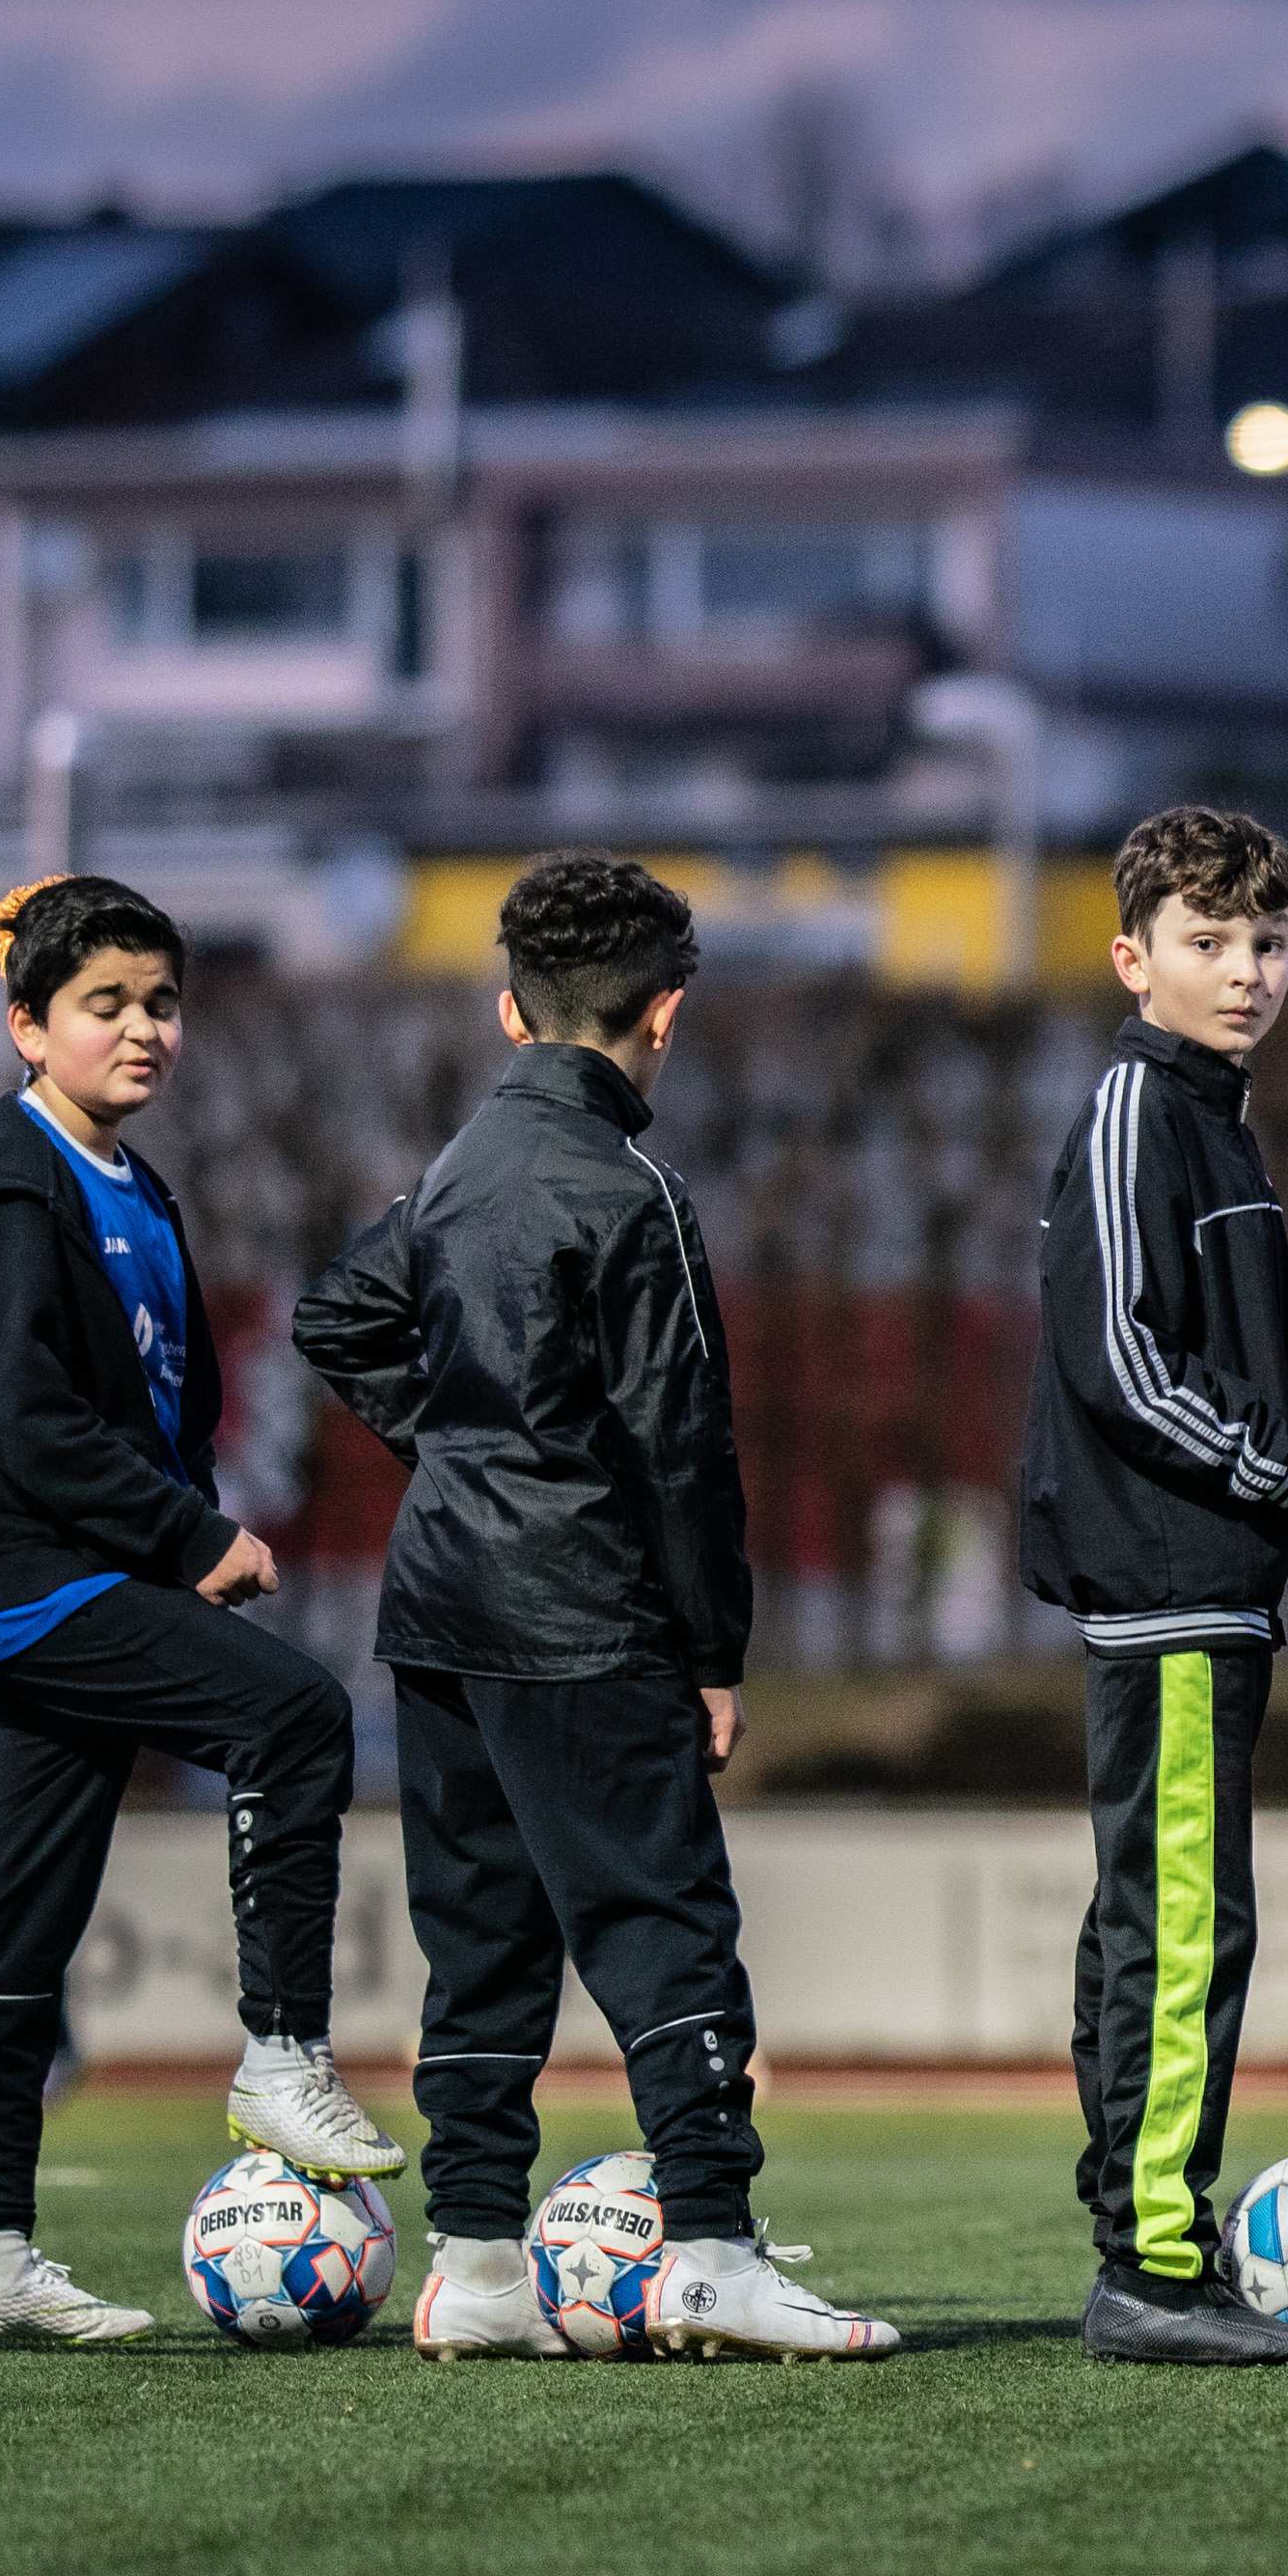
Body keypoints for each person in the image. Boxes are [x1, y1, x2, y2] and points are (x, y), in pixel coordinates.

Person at [294, 851, 893, 2362]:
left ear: (509, 1011)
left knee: (480, 1941)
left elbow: (334, 1315)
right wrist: (714, 1650)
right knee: (667, 1929)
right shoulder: (635, 1194)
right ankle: (711, 2249)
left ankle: (479, 2269)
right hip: (583, 1612)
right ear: (667, 1014)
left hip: (434, 1604)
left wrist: (460, 1442)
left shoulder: (451, 1172)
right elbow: (683, 1446)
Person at [0, 873, 405, 2349]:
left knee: (13, 1930)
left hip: (68, 1586)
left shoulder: (131, 1183)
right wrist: (189, 1537)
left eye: (162, 1000)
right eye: (106, 1003)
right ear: (27, 1024)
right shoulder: (2, 1181)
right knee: (293, 1716)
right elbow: (17, 1419)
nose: (145, 1028)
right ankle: (280, 2053)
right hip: (41, 1584)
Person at [1019, 804, 1288, 2368]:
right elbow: (1123, 1362)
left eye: (1267, 940)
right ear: (1131, 955)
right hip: (1170, 1590)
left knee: (1164, 1922)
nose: (1247, 969)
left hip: (1197, 1586)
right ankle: (1151, 2268)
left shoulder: (1210, 1114)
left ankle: (1141, 2241)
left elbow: (1181, 1364)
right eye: (1208, 943)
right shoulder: (1144, 1105)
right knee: (1184, 1932)